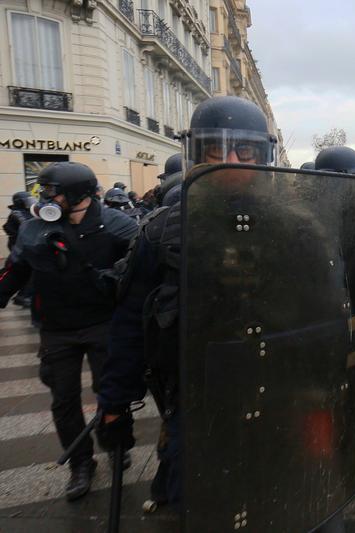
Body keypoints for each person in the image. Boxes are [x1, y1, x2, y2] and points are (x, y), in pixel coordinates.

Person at [95, 96, 278, 509]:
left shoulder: (297, 226)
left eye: (244, 150)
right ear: (195, 155)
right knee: (192, 498)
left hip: (278, 390)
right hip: (194, 396)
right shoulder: (161, 232)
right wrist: (114, 404)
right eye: (215, 149)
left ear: (263, 156)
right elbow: (128, 325)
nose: (230, 160)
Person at [0, 162, 138, 501]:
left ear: (77, 193)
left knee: (111, 394)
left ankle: (115, 444)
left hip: (103, 323)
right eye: (43, 191)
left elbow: (140, 267)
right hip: (57, 328)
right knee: (63, 400)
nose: (45, 198)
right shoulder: (35, 229)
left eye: (52, 192)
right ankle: (80, 463)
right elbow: (13, 272)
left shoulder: (117, 226)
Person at [2, 191, 36, 307]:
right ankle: (23, 296)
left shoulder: (26, 212)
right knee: (19, 269)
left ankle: (23, 295)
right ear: (20, 203)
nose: (30, 203)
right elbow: (27, 224)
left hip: (24, 243)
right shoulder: (17, 213)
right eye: (27, 201)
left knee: (26, 269)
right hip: (18, 244)